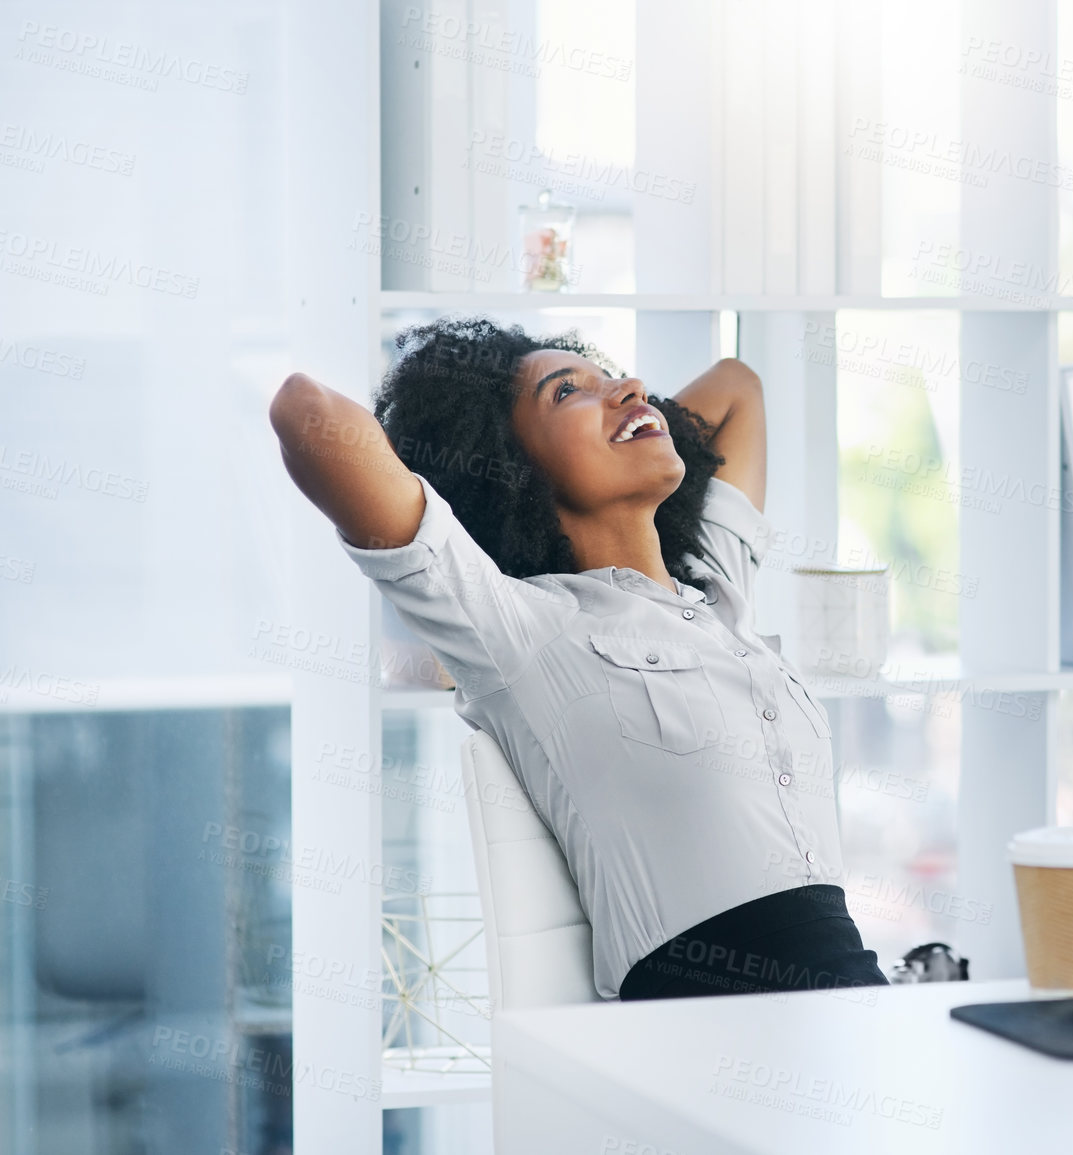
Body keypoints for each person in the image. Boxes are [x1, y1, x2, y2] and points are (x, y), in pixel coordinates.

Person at [268, 317, 888, 1001]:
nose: (629, 386)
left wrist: (619, 412)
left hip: (852, 1000)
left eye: (618, 379)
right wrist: (453, 460)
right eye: (566, 394)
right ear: (512, 467)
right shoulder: (520, 630)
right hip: (709, 1030)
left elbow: (736, 386)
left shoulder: (716, 589)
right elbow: (306, 410)